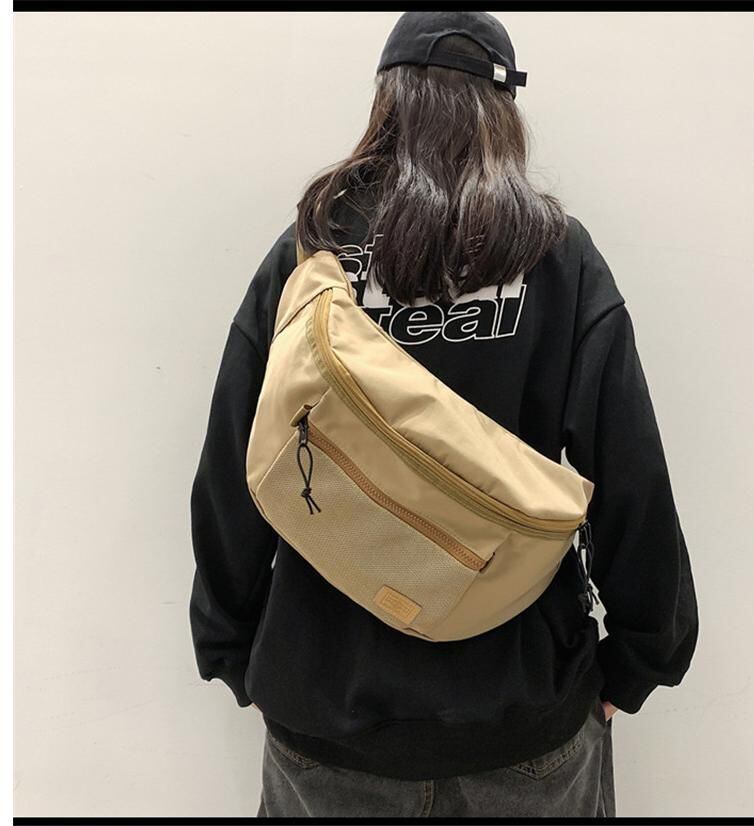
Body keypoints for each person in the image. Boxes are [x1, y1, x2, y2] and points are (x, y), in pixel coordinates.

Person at [188, 11, 699, 818]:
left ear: (387, 99)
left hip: (328, 713)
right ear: (503, 111)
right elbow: (630, 470)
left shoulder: (310, 253)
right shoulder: (555, 258)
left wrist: (228, 641)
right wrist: (642, 658)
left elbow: (237, 462)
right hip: (521, 710)